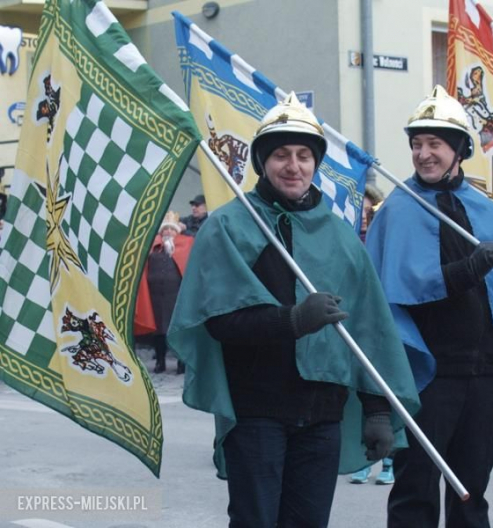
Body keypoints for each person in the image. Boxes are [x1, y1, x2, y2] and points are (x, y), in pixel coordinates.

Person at [166, 93, 419, 528]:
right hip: (257, 409)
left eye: (304, 155)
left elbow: (369, 328)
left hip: (322, 412)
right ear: (262, 161)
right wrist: (293, 320)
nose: (293, 165)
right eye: (281, 154)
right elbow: (221, 321)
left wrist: (377, 410)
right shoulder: (229, 225)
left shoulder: (339, 235)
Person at [366, 86, 493, 528]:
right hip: (428, 374)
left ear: (460, 150)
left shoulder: (487, 210)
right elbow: (400, 291)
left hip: (482, 372)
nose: (424, 154)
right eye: (417, 144)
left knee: (472, 491)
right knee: (416, 490)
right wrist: (468, 268)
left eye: (435, 144)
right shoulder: (398, 210)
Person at [351, 182, 395, 486]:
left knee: (387, 395)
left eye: (370, 209)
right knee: (359, 396)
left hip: (386, 324)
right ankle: (363, 460)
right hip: (356, 324)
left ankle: (390, 461)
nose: (364, 215)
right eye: (360, 210)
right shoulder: (349, 238)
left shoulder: (385, 238)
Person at [134, 212, 193, 374]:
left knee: (179, 330)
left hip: (177, 296)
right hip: (156, 296)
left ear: (177, 232)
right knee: (159, 332)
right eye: (165, 230)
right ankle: (160, 361)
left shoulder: (186, 246)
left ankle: (182, 362)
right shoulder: (152, 248)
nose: (168, 232)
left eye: (171, 230)